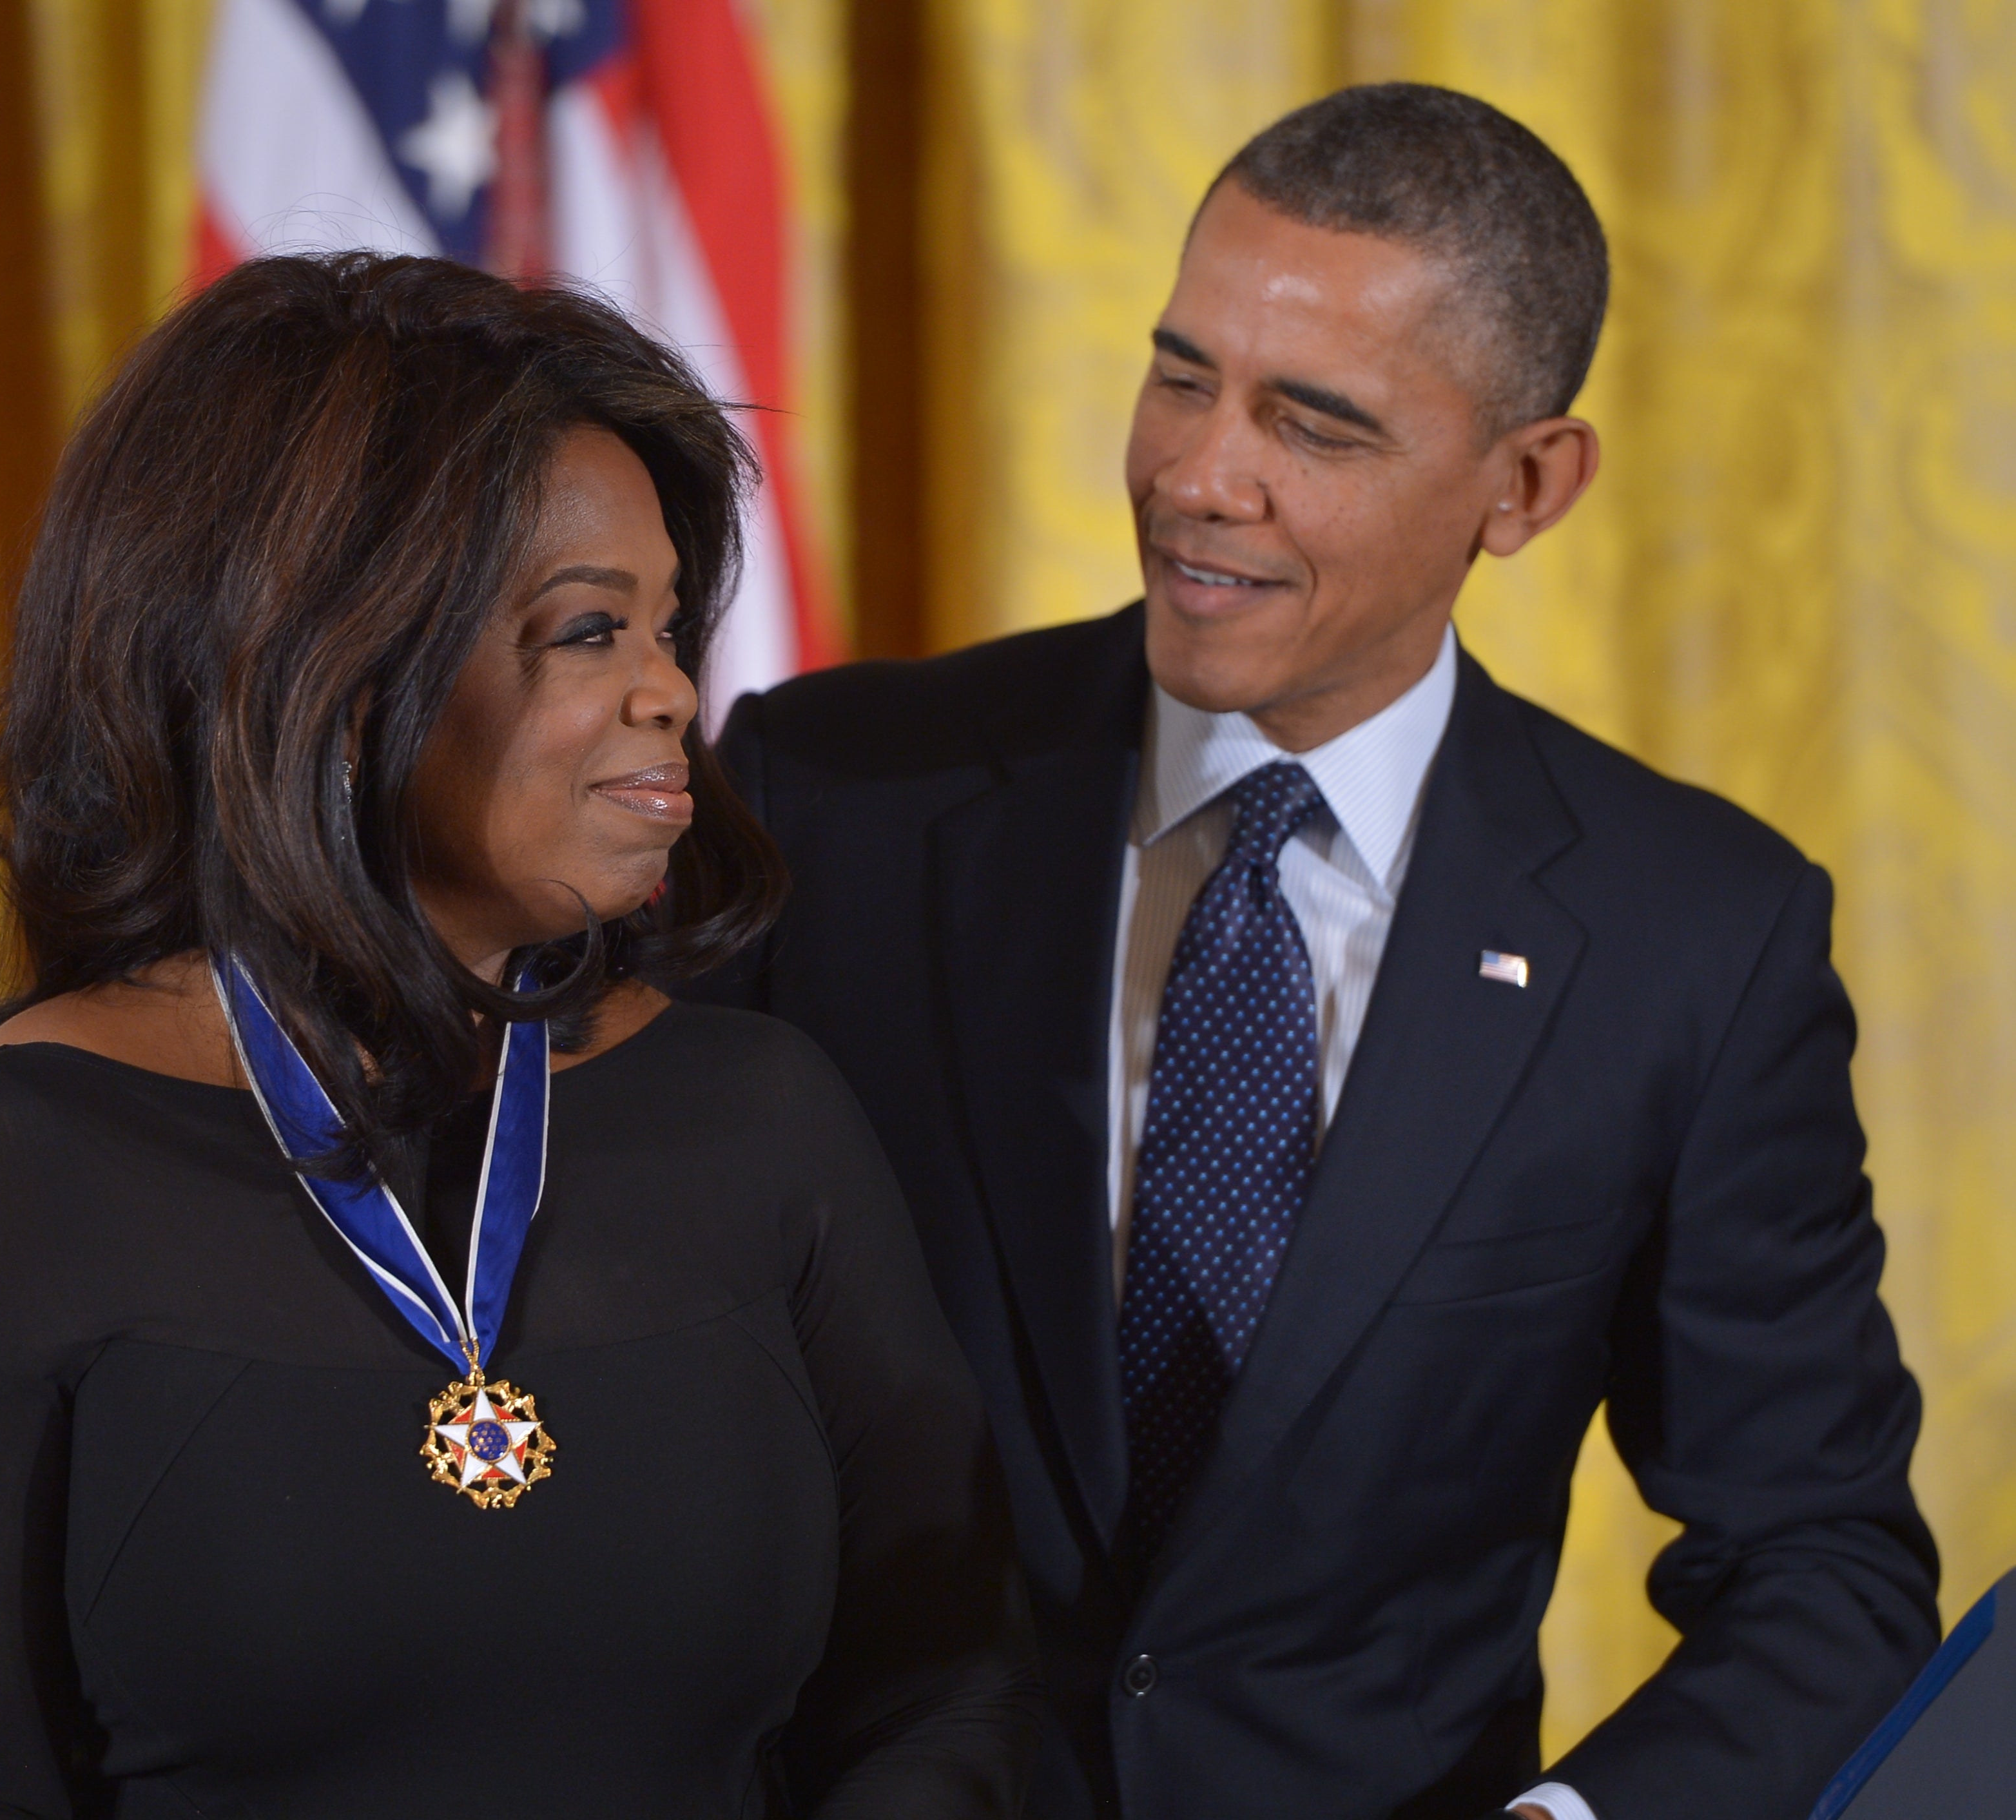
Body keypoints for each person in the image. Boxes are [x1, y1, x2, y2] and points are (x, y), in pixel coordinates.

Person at [695, 84, 1936, 1820]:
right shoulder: (830, 796)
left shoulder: (1692, 939)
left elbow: (1817, 1562)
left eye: (1313, 424)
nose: (1198, 476)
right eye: (1180, 374)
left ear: (1523, 485)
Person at [0, 253, 1038, 1817]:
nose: (670, 691)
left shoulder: (763, 1117)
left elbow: (946, 1694)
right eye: (589, 632)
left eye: (665, 624)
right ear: (342, 679)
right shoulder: (7, 1164)